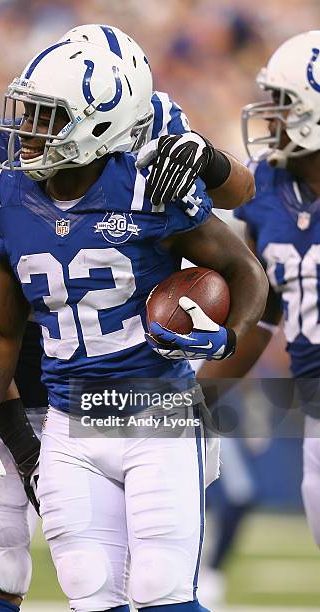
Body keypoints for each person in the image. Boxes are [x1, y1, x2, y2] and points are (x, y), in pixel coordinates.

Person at [0, 23, 255, 612]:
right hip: (59, 402)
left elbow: (241, 247)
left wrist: (223, 340)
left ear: (109, 124)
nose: (25, 130)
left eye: (45, 117)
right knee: (79, 584)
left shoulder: (154, 167)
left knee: (158, 584)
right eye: (29, 111)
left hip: (148, 401)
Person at [198, 30, 320, 548]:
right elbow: (263, 310)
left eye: (285, 104)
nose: (271, 117)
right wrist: (196, 400)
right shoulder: (266, 190)